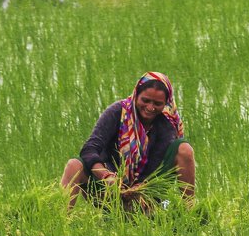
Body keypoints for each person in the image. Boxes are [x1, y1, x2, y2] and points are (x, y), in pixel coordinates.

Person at [60, 71, 195, 210]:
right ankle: (62, 220)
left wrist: (135, 191)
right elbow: (90, 149)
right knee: (74, 165)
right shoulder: (118, 112)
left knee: (184, 149)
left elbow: (154, 167)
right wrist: (106, 176)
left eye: (157, 103)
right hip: (108, 189)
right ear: (136, 95)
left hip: (146, 194)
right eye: (145, 100)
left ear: (166, 103)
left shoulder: (166, 125)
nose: (150, 107)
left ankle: (190, 211)